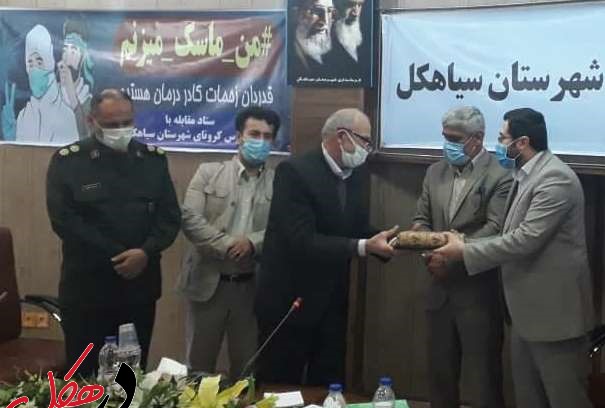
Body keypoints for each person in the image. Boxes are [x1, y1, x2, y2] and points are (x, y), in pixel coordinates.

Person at [432, 108, 602, 408]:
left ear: (523, 142)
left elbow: (525, 240)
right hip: (525, 316)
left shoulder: (555, 178)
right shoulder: (522, 175)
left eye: (503, 138)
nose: (499, 145)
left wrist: (464, 250)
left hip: (557, 321)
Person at [255, 108, 397, 386]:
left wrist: (391, 240)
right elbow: (301, 240)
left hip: (332, 304)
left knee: (327, 387)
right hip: (289, 301)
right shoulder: (295, 172)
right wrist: (363, 246)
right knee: (279, 388)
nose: (367, 149)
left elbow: (354, 227)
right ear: (341, 136)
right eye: (365, 141)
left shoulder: (357, 174)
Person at [46, 88, 180, 376]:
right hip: (87, 290)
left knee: (130, 377)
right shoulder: (69, 162)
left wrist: (145, 252)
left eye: (126, 122)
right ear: (91, 121)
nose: (120, 130)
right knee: (84, 377)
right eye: (111, 124)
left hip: (138, 290)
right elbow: (65, 221)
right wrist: (118, 255)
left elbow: (169, 218)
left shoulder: (153, 160)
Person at [411, 106, 511, 408]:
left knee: (484, 386)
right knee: (440, 382)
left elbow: (496, 229)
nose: (447, 144)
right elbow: (421, 220)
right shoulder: (434, 172)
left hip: (477, 292)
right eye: (445, 136)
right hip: (439, 290)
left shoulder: (500, 174)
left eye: (454, 139)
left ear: (477, 140)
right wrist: (430, 250)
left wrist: (453, 257)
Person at [178, 107, 280, 380]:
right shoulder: (208, 173)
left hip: (250, 287)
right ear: (238, 137)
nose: (260, 141)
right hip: (208, 284)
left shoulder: (279, 182)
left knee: (247, 371)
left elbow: (281, 228)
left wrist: (252, 243)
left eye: (267, 136)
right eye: (254, 134)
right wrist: (226, 245)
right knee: (198, 369)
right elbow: (190, 219)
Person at [2, 24, 78, 143]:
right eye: (30, 64)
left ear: (49, 64)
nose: (35, 70)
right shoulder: (24, 116)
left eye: (39, 62)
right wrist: (11, 138)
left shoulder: (66, 115)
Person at [58, 18, 95, 138]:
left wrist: (71, 95)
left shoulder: (90, 104)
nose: (67, 58)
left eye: (73, 52)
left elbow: (86, 138)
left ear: (83, 58)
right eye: (65, 50)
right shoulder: (52, 94)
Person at [290, 0, 336, 82]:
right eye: (317, 11)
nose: (325, 21)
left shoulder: (334, 57)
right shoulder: (290, 59)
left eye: (329, 11)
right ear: (297, 14)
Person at [324, 0, 367, 81]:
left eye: (359, 5)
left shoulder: (365, 41)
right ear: (336, 7)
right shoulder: (324, 44)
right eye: (350, 5)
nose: (356, 12)